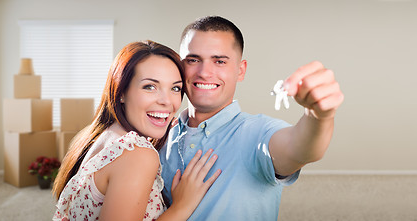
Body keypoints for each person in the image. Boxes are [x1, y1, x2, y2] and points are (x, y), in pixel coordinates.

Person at [158, 16, 344, 219]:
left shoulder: (258, 132)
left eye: (219, 61)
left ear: (241, 70)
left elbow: (299, 149)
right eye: (193, 60)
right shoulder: (160, 135)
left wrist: (319, 116)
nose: (204, 72)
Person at [52, 40, 221, 220]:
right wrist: (181, 206)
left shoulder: (107, 135)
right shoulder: (136, 154)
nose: (167, 101)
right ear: (121, 92)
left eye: (175, 88)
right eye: (150, 87)